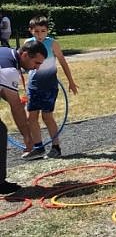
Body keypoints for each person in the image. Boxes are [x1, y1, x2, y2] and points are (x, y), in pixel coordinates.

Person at [21, 16, 79, 160]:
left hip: (49, 86)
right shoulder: (28, 44)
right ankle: (38, 147)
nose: (40, 35)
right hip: (33, 86)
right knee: (31, 117)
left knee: (47, 116)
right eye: (36, 31)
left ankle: (56, 147)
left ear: (47, 31)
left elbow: (63, 62)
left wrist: (71, 81)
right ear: (31, 31)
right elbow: (22, 64)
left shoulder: (52, 43)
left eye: (43, 31)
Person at [0, 40, 47, 193]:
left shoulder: (6, 52)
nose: (37, 67)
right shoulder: (10, 70)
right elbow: (16, 108)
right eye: (36, 62)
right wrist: (27, 136)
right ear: (25, 55)